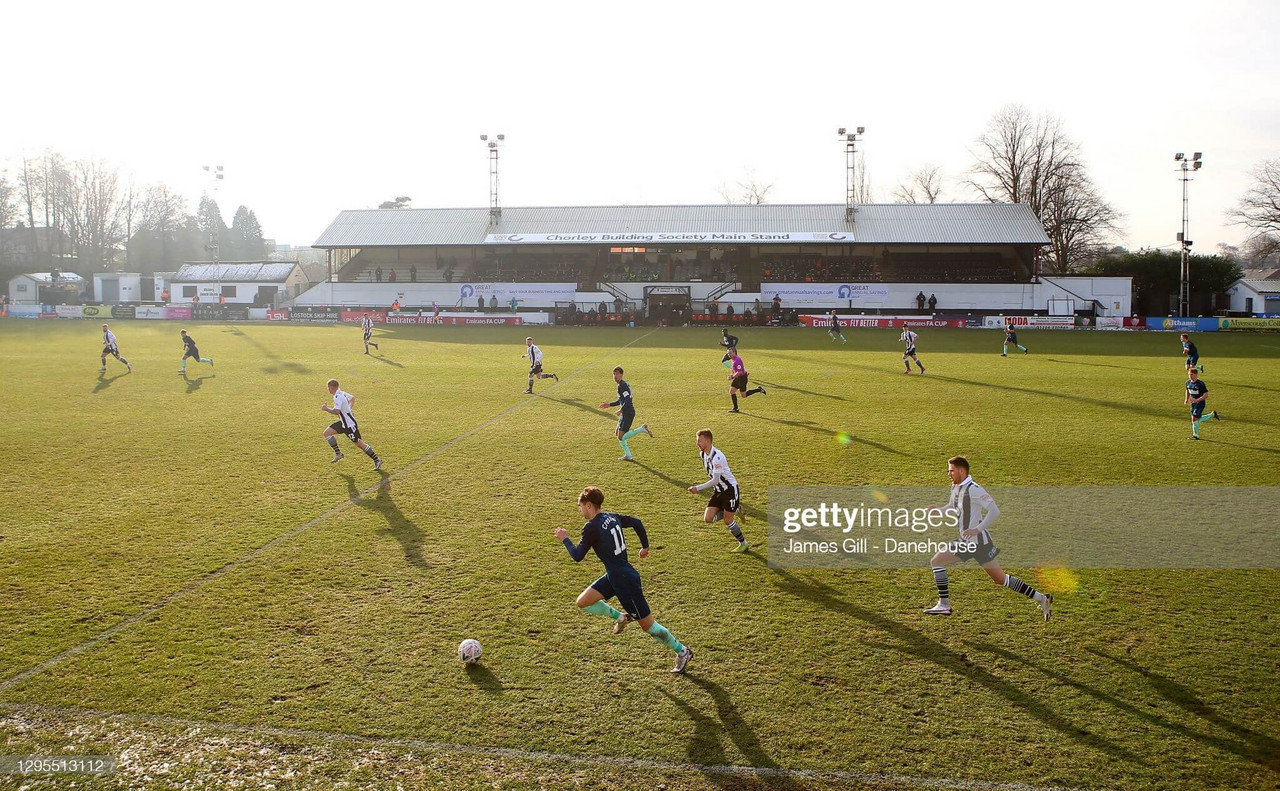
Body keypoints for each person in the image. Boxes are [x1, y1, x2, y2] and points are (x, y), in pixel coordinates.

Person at [553, 486, 693, 674]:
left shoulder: (591, 527)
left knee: (649, 627)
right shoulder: (612, 517)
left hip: (626, 582)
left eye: (580, 507)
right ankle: (621, 617)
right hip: (614, 576)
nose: (580, 511)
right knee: (583, 602)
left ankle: (683, 651)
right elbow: (637, 522)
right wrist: (645, 546)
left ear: (588, 505)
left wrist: (565, 539)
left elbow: (577, 556)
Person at [925, 456, 1053, 621]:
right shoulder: (956, 487)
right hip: (982, 543)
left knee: (937, 561)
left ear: (961, 471)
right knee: (1001, 579)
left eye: (951, 470)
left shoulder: (974, 489)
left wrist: (976, 529)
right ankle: (1042, 598)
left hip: (974, 542)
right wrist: (940, 511)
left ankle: (944, 604)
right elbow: (952, 506)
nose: (948, 473)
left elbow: (994, 511)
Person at [688, 429, 748, 553]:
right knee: (708, 519)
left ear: (707, 441)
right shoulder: (703, 454)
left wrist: (697, 488)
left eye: (699, 440)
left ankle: (743, 544)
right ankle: (734, 510)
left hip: (730, 490)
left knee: (727, 520)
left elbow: (715, 480)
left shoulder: (718, 457)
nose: (697, 443)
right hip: (718, 491)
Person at [321, 378, 382, 469]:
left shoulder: (338, 396)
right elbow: (352, 398)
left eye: (328, 387)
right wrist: (348, 409)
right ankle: (338, 454)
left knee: (359, 444)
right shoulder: (342, 393)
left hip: (349, 425)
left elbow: (337, 412)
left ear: (331, 387)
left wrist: (326, 409)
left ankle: (377, 460)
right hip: (343, 423)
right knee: (327, 433)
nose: (328, 389)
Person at [600, 366, 652, 461]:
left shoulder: (622, 385)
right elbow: (621, 400)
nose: (615, 376)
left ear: (622, 375)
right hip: (626, 412)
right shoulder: (621, 385)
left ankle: (641, 429)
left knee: (621, 436)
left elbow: (628, 399)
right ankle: (628, 455)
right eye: (614, 374)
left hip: (628, 413)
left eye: (617, 374)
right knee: (617, 434)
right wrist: (609, 404)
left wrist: (621, 410)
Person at [726, 347, 766, 412]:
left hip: (742, 379)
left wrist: (732, 377)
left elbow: (739, 372)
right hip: (738, 377)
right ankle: (735, 408)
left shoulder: (737, 360)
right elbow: (734, 369)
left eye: (730, 353)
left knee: (743, 395)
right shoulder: (733, 360)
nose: (729, 355)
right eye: (728, 353)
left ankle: (759, 389)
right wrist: (731, 374)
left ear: (734, 352)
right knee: (731, 391)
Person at [1185, 368, 1220, 440]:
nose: (1190, 376)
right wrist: (1186, 399)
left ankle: (1195, 435)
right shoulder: (1188, 382)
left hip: (1200, 403)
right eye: (1189, 374)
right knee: (1196, 419)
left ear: (1196, 375)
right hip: (1193, 404)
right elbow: (1187, 391)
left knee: (1194, 418)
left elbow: (1206, 395)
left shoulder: (1200, 384)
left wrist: (1197, 400)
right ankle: (1212, 414)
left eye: (1191, 374)